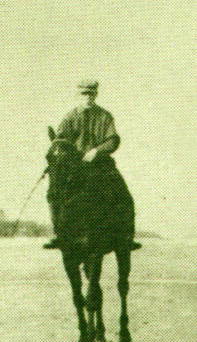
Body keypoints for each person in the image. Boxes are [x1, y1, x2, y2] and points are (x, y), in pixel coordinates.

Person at [43, 79, 140, 250]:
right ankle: (59, 234)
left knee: (124, 196)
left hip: (102, 165)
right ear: (78, 95)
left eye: (91, 93)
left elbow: (113, 140)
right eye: (84, 93)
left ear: (96, 94)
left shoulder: (105, 116)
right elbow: (60, 140)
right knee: (53, 194)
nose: (87, 97)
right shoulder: (70, 116)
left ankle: (127, 237)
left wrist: (97, 151)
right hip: (76, 167)